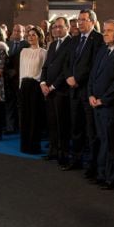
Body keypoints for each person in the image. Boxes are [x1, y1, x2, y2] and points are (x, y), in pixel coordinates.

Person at [62, 9, 104, 176]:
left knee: (91, 131)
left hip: (88, 91)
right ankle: (76, 159)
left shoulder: (98, 39)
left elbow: (94, 65)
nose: (79, 23)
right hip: (73, 91)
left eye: (83, 20)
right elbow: (67, 62)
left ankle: (93, 165)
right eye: (78, 20)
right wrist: (68, 77)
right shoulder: (74, 40)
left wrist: (77, 79)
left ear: (92, 22)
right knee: (76, 128)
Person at [88, 20, 114, 189]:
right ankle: (102, 173)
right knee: (102, 139)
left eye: (110, 31)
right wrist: (90, 93)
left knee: (112, 142)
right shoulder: (102, 49)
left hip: (111, 105)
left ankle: (113, 177)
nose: (105, 34)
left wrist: (104, 99)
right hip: (96, 102)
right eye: (104, 31)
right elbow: (93, 74)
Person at [40, 17, 72, 164]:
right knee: (51, 123)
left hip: (61, 91)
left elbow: (67, 69)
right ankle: (52, 150)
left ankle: (63, 154)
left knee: (62, 124)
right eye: (54, 27)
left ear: (67, 28)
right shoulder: (52, 45)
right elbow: (46, 66)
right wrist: (43, 83)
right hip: (48, 90)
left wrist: (53, 86)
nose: (56, 29)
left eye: (60, 27)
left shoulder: (72, 43)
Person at [18, 26, 47, 154]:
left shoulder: (43, 52)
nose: (30, 37)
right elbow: (21, 70)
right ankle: (24, 146)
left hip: (36, 86)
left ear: (39, 37)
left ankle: (34, 146)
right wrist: (20, 86)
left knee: (35, 117)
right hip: (24, 85)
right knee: (24, 117)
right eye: (29, 35)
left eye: (33, 34)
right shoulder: (23, 51)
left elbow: (44, 72)